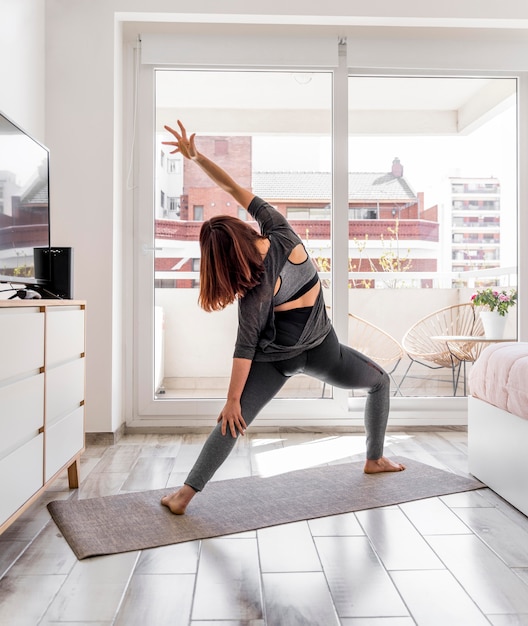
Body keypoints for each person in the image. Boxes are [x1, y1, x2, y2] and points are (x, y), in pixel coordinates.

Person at [160, 121, 405, 515]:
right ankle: (374, 458)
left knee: (232, 421)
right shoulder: (280, 229)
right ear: (242, 228)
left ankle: (184, 496)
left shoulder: (255, 290)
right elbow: (234, 189)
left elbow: (245, 349)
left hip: (275, 360)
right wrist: (198, 156)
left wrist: (232, 401)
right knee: (380, 382)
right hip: (324, 351)